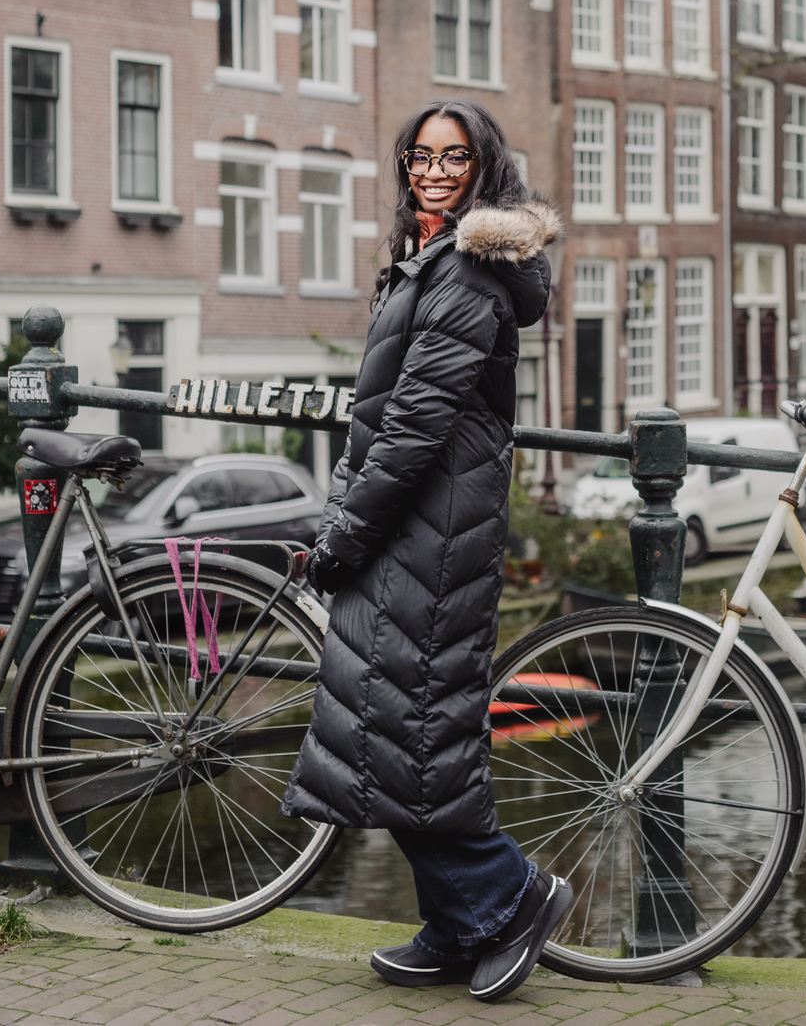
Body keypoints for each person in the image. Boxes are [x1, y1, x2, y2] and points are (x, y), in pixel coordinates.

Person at [282, 99, 570, 1002]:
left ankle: (509, 895)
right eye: (421, 155)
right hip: (413, 529)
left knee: (404, 731)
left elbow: (410, 430)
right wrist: (346, 517)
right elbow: (382, 421)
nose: (434, 170)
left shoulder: (473, 271)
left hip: (433, 535)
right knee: (390, 729)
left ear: (485, 166)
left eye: (454, 157)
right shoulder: (431, 261)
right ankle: (459, 924)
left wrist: (342, 536)